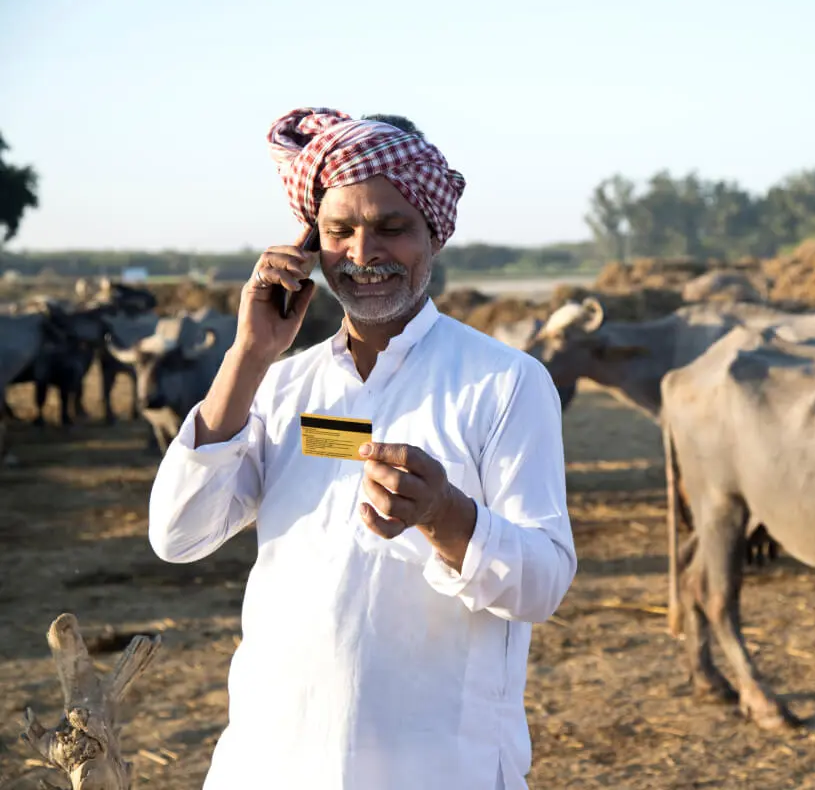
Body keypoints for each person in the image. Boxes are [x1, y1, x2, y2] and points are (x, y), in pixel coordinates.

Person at [147, 107, 575, 790]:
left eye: (392, 228)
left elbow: (543, 585)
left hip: (439, 765)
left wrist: (446, 516)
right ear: (311, 246)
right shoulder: (282, 385)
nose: (364, 252)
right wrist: (248, 354)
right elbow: (177, 535)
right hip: (274, 760)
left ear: (434, 234)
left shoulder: (504, 382)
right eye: (339, 230)